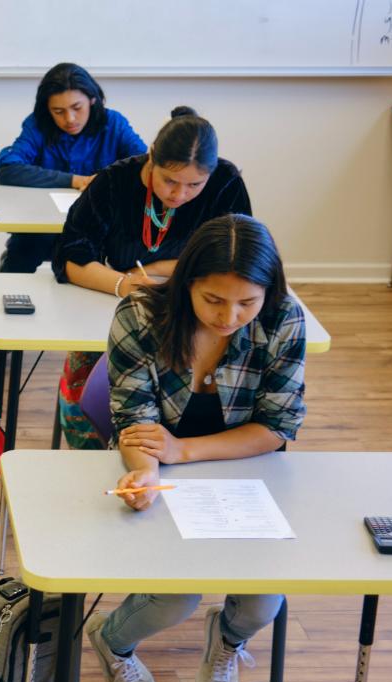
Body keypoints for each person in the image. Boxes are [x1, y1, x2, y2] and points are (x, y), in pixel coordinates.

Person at [87, 213, 305, 682]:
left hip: (245, 471)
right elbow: (135, 417)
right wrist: (147, 472)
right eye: (213, 300)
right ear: (186, 284)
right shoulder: (141, 314)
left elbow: (277, 426)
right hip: (164, 468)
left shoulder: (284, 318)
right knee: (173, 597)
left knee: (260, 605)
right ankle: (112, 642)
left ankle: (227, 640)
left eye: (246, 303)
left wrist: (183, 450)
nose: (229, 316)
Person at [51, 106, 252, 448]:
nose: (179, 194)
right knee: (87, 402)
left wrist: (159, 269)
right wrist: (122, 284)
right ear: (151, 158)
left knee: (187, 408)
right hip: (115, 307)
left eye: (194, 185)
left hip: (200, 315)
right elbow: (68, 258)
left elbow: (236, 260)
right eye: (169, 180)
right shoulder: (114, 183)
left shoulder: (225, 184)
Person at [0, 62, 147, 273]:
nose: (70, 119)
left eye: (77, 108)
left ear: (93, 100)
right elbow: (9, 169)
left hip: (97, 228)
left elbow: (145, 167)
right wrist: (76, 181)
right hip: (40, 226)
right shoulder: (38, 125)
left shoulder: (114, 124)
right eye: (58, 111)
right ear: (47, 109)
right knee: (19, 258)